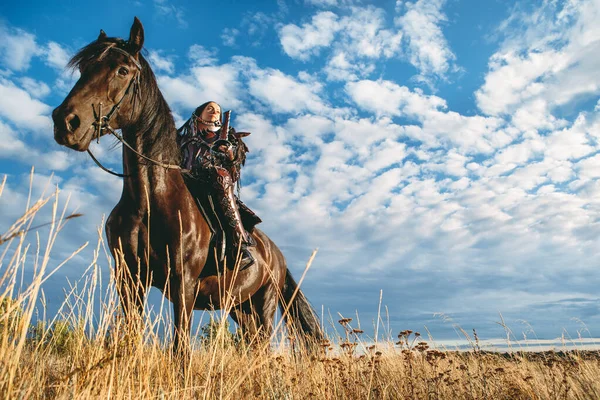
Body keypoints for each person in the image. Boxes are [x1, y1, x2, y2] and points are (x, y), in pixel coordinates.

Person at [177, 101, 259, 270]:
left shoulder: (229, 139)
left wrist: (228, 154)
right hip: (182, 179)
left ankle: (238, 244)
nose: (214, 112)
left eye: (217, 111)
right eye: (210, 108)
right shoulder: (181, 139)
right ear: (199, 114)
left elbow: (234, 174)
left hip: (212, 184)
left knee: (220, 176)